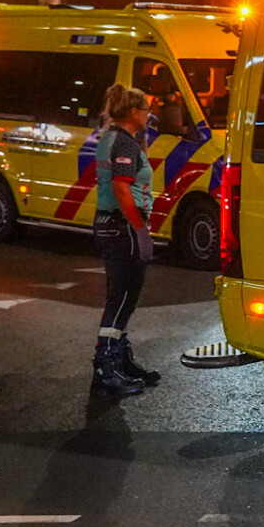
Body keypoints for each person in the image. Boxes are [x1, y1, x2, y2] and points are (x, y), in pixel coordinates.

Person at [90, 84, 159, 395]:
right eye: (146, 110)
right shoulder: (125, 144)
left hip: (107, 224)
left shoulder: (110, 138)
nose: (149, 116)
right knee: (123, 298)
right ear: (133, 112)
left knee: (120, 296)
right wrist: (139, 229)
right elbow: (122, 188)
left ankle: (120, 360)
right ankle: (106, 368)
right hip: (123, 227)